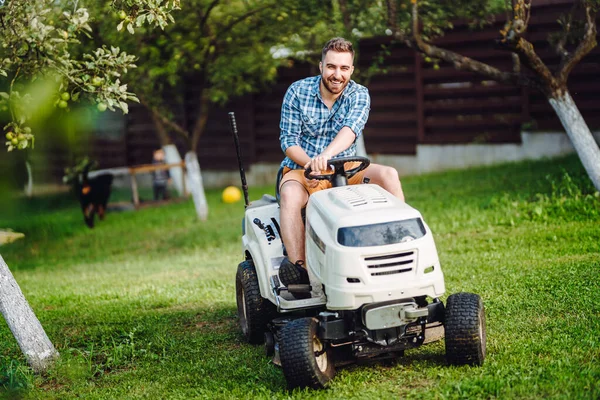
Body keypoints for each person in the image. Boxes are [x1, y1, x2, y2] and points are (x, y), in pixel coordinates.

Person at [277, 37, 405, 287]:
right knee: (290, 195)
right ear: (321, 66)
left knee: (389, 174)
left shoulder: (359, 94)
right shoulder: (297, 91)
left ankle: (399, 247)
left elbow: (350, 130)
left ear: (351, 70)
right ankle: (300, 272)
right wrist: (312, 163)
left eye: (344, 68)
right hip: (301, 170)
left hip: (346, 169)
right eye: (331, 67)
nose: (337, 74)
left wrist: (327, 155)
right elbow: (288, 141)